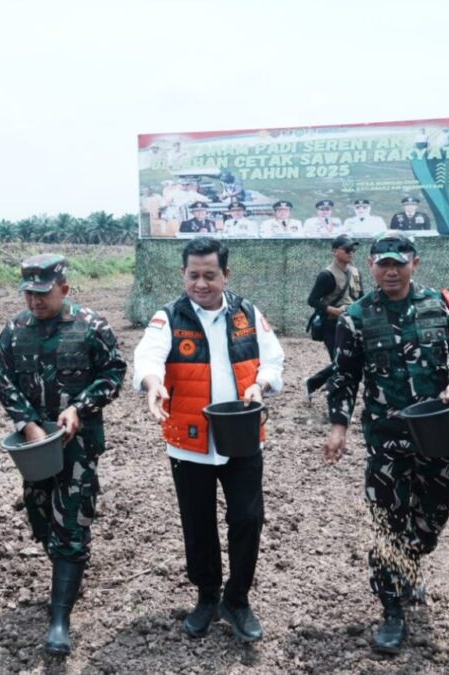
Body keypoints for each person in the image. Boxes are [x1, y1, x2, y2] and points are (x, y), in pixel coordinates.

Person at [321, 231, 449, 654]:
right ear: (372, 266)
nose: (391, 271)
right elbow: (344, 377)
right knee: (386, 523)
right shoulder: (356, 316)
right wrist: (338, 426)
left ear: (415, 263)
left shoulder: (442, 304)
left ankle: (410, 562)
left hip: (436, 433)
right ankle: (392, 609)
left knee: (434, 517)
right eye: (383, 264)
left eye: (399, 262)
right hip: (386, 439)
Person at [133, 237, 284, 643]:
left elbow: (273, 359)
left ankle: (237, 599)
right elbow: (147, 357)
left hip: (242, 435)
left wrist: (260, 384)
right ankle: (206, 596)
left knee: (247, 518)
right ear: (183, 274)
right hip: (188, 440)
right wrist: (153, 383)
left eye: (210, 275)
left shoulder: (247, 313)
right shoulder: (168, 317)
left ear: (226, 275)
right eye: (193, 275)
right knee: (197, 522)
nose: (201, 284)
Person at [0, 254, 125, 655]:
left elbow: (113, 373)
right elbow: (3, 381)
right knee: (39, 512)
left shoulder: (91, 326)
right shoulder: (14, 331)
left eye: (44, 293)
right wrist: (28, 422)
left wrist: (80, 407)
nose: (35, 301)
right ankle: (66, 568)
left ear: (64, 289)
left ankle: (60, 618)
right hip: (34, 445)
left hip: (78, 444)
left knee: (71, 519)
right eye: (29, 294)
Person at [303, 235, 363, 398]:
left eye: (353, 249)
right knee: (339, 362)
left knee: (350, 360)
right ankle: (327, 390)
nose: (351, 252)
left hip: (352, 323)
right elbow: (312, 300)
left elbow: (361, 297)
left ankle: (317, 383)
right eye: (347, 249)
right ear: (335, 251)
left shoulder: (356, 272)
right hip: (331, 324)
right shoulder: (327, 275)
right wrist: (334, 310)